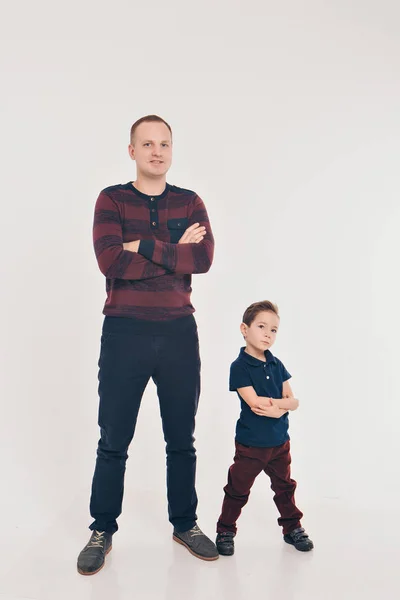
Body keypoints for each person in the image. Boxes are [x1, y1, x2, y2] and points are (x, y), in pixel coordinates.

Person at [77, 115, 219, 576]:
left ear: (171, 150)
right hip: (124, 332)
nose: (157, 151)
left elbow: (202, 260)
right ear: (132, 150)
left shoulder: (190, 201)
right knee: (113, 440)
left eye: (164, 144)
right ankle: (102, 529)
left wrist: (143, 244)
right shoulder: (111, 200)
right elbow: (109, 261)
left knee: (182, 439)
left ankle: (185, 523)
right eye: (147, 144)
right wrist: (172, 247)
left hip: (179, 332)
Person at [215, 301, 314, 555]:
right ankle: (226, 529)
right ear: (244, 329)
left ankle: (292, 527)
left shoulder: (276, 364)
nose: (268, 334)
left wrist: (280, 406)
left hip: (280, 442)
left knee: (285, 487)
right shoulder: (239, 367)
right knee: (238, 489)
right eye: (261, 326)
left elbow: (295, 400)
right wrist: (283, 405)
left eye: (274, 330)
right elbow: (255, 403)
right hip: (251, 444)